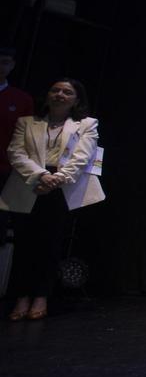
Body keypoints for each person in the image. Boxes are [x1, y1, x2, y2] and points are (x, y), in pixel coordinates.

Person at [2, 78, 104, 320]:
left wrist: (56, 179)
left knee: (50, 244)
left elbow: (82, 157)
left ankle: (41, 296)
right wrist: (41, 176)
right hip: (30, 183)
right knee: (24, 244)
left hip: (61, 188)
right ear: (47, 95)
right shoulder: (27, 122)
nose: (60, 95)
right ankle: (21, 296)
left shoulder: (86, 124)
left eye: (67, 92)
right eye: (55, 90)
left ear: (76, 100)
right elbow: (16, 152)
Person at [0, 48, 35, 187]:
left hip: (3, 170)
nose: (0, 66)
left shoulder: (23, 100)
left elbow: (25, 139)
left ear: (12, 65)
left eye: (4, 62)